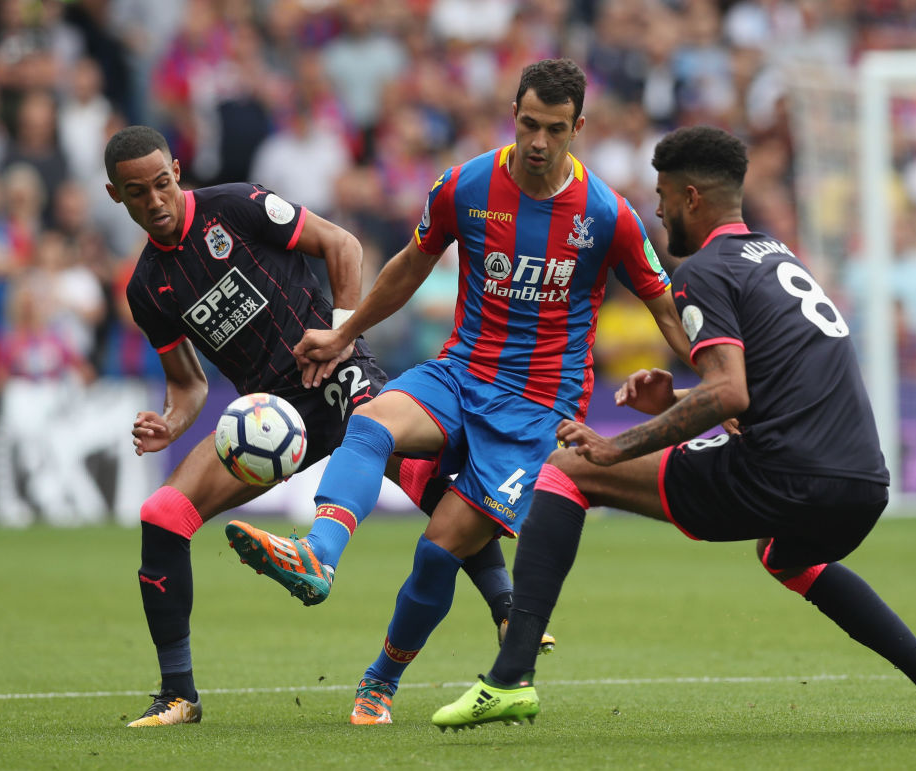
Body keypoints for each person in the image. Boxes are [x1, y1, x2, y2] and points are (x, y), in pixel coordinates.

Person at [432, 125, 916, 734]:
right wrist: (673, 397)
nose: (658, 210)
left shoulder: (704, 270)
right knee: (784, 553)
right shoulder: (777, 257)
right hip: (861, 483)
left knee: (568, 470)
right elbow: (760, 389)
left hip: (788, 474)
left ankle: (510, 678)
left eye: (663, 195)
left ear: (691, 198)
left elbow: (730, 391)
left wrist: (614, 446)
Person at [224, 58, 692, 725]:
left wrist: (725, 388)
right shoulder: (467, 185)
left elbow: (665, 307)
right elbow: (410, 264)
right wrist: (344, 330)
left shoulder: (607, 215)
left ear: (578, 128)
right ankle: (318, 557)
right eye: (528, 123)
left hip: (537, 409)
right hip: (462, 370)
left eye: (554, 129)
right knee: (371, 421)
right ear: (514, 115)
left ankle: (380, 680)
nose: (538, 141)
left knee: (439, 548)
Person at [103, 124, 522, 728]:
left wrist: (343, 336)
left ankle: (511, 612)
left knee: (422, 473)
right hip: (271, 422)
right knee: (162, 515)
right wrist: (171, 423)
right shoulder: (148, 286)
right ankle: (178, 695)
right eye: (137, 193)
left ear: (176, 169)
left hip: (331, 367)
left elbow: (343, 245)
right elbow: (189, 384)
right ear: (116, 195)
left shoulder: (237, 206)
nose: (156, 201)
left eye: (163, 183)